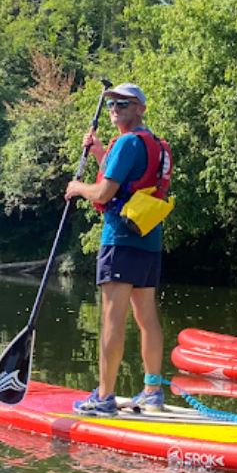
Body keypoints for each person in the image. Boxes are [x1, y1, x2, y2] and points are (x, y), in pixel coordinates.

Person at [64, 82, 172, 415]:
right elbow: (130, 177)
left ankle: (104, 397)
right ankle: (152, 390)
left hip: (120, 241)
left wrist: (77, 187)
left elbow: (104, 194)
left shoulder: (127, 143)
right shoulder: (156, 144)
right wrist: (98, 151)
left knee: (112, 320)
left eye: (123, 104)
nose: (115, 110)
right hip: (147, 240)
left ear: (140, 108)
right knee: (146, 316)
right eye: (111, 105)